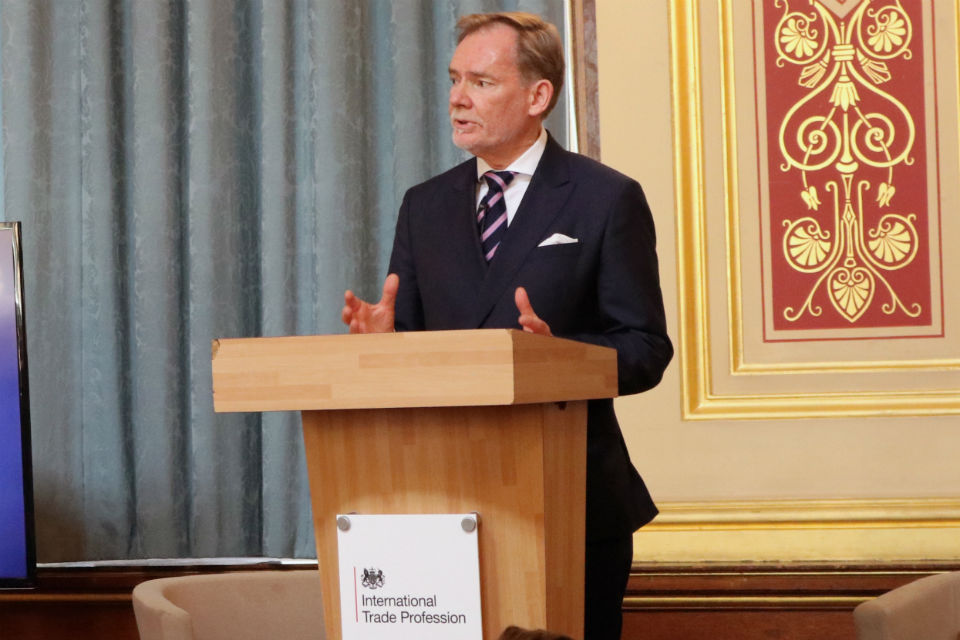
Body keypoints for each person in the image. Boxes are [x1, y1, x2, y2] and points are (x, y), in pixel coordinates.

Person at [341, 12, 672, 640]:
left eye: (482, 82)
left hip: (570, 501)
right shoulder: (425, 205)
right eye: (454, 80)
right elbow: (419, 354)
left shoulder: (604, 198)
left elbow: (646, 348)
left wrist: (562, 358)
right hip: (441, 503)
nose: (458, 99)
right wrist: (383, 349)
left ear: (537, 96)